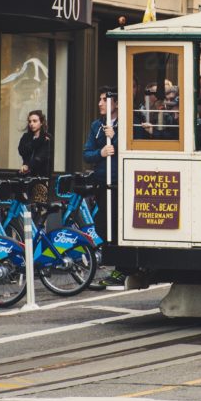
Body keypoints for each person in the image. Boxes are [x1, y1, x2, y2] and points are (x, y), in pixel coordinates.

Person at [83, 87, 123, 288]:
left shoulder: (124, 125)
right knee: (102, 224)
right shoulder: (96, 126)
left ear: (115, 103)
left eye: (104, 100)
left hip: (118, 182)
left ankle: (121, 269)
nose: (100, 103)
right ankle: (117, 267)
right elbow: (87, 154)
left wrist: (115, 137)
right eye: (99, 100)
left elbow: (129, 149)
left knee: (116, 225)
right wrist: (101, 152)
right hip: (101, 181)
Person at [18, 110, 51, 177]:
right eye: (30, 121)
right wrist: (37, 141)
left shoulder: (47, 137)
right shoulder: (26, 137)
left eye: (35, 121)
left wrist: (28, 166)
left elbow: (40, 157)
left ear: (41, 122)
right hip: (26, 174)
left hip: (41, 176)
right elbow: (22, 151)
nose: (31, 124)